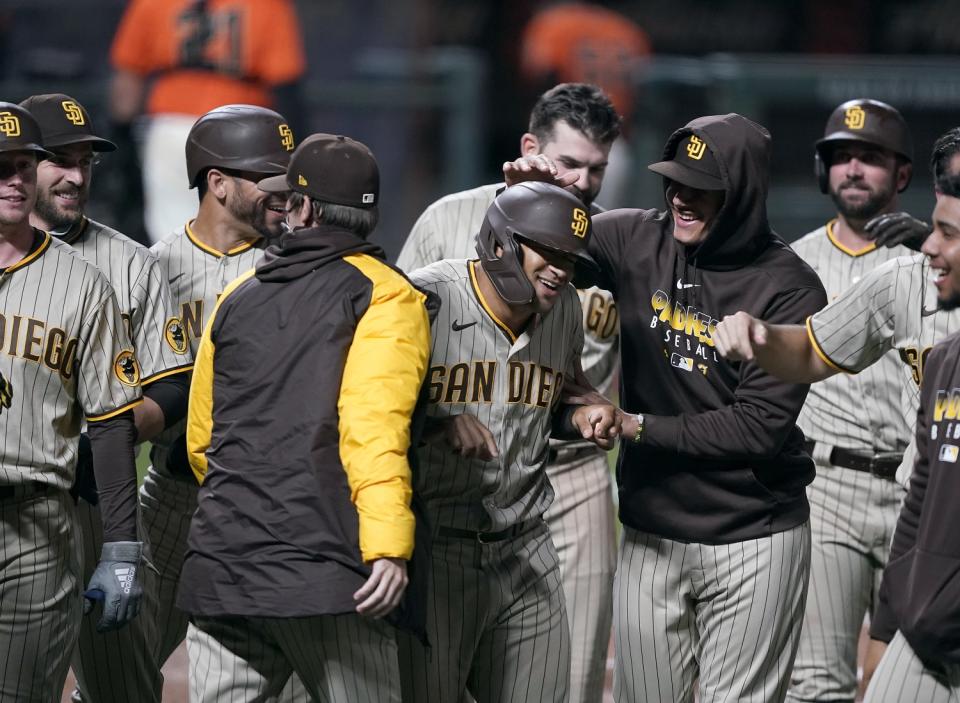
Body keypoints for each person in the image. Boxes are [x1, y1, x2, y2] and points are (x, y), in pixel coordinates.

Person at [506, 113, 829, 702]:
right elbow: (545, 240)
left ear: (741, 194)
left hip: (753, 536)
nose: (680, 196)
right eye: (674, 180)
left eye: (700, 186)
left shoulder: (791, 287)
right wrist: (526, 192)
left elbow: (757, 427)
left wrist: (635, 424)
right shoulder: (636, 237)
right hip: (653, 532)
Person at [177, 133, 430, 701]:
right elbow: (373, 429)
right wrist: (388, 546)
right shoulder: (388, 295)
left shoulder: (237, 294)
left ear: (304, 208)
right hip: (329, 576)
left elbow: (201, 441)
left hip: (223, 568)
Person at [713, 126, 960, 703]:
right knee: (844, 685)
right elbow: (810, 349)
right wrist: (760, 335)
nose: (929, 245)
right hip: (881, 511)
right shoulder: (916, 303)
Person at [396, 82, 621, 703]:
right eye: (569, 163)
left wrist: (591, 412)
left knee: (567, 679)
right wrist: (436, 423)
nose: (582, 181)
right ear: (532, 148)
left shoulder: (608, 240)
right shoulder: (449, 225)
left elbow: (578, 374)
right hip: (449, 490)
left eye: (596, 169)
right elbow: (389, 359)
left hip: (561, 478)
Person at [19, 92, 193, 703]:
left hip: (98, 500)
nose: (75, 176)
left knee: (122, 684)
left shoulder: (131, 264)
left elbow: (175, 382)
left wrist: (112, 433)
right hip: (17, 500)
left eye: (85, 161)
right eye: (58, 161)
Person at [140, 104, 307, 699]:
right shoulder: (152, 271)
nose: (283, 194)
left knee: (273, 680)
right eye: (269, 180)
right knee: (122, 669)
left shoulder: (300, 266)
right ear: (217, 182)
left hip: (273, 504)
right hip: (175, 495)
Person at [0, 101, 144, 700]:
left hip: (36, 526)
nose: (12, 179)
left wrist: (121, 546)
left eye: (23, 165)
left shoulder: (84, 283)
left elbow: (111, 425)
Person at [784, 98, 916, 703]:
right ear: (823, 171)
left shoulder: (935, 263)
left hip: (922, 491)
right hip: (827, 485)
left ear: (903, 175)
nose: (854, 169)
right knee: (817, 681)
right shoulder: (793, 265)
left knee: (921, 676)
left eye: (870, 157)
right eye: (842, 157)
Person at [861, 172, 960, 702]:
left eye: (946, 232)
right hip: (926, 633)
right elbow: (919, 505)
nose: (928, 243)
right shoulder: (944, 362)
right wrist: (885, 626)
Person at [109, 0, 306, 243]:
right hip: (244, 134)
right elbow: (286, 85)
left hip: (171, 128)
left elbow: (127, 86)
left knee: (172, 234)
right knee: (242, 232)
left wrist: (120, 138)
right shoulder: (267, 4)